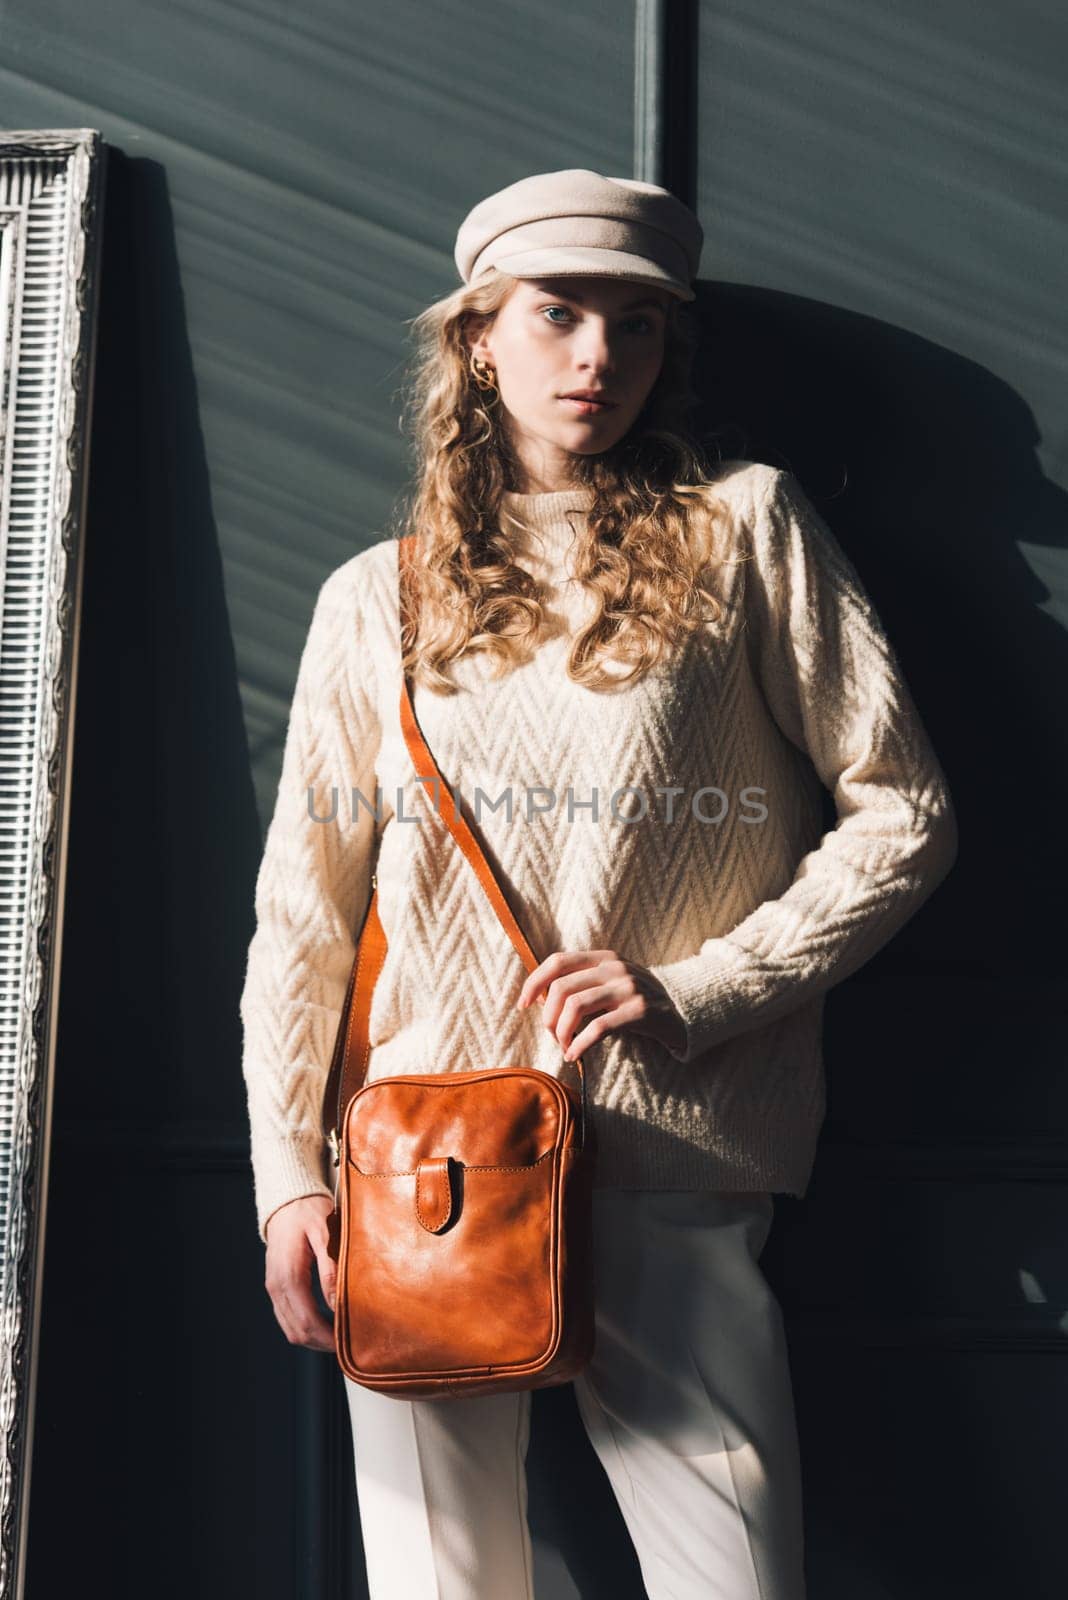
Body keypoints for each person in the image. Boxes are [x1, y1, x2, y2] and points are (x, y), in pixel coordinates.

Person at [239, 168, 958, 1599]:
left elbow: (907, 813)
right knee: (442, 1584)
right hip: (424, 1174)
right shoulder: (370, 601)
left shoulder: (748, 532)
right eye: (559, 314)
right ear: (477, 340)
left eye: (636, 327)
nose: (598, 359)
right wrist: (282, 1183)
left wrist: (692, 988)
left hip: (670, 1155)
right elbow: (302, 922)